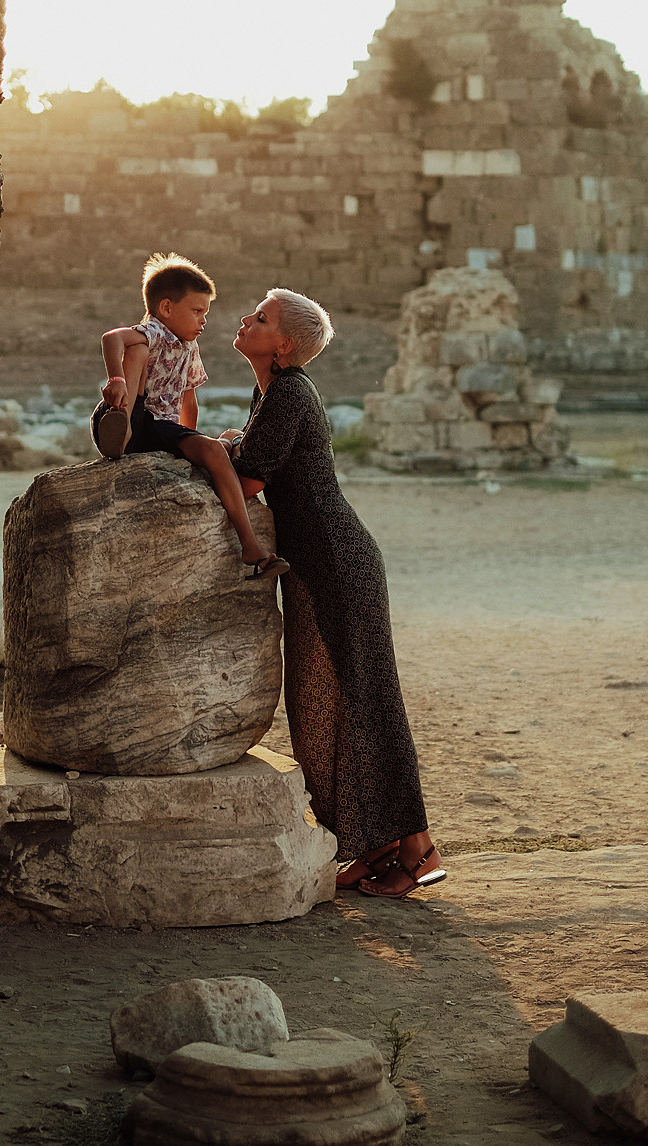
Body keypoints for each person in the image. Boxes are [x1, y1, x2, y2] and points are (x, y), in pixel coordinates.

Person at [222, 287, 446, 899]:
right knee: (322, 698)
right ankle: (372, 845)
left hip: (340, 562)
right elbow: (245, 449)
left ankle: (417, 847)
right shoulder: (269, 389)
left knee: (368, 700)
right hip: (316, 566)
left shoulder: (291, 392)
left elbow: (247, 475)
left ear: (283, 345)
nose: (246, 320)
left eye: (260, 318)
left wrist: (207, 453)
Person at [92, 253, 288, 581]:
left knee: (215, 447)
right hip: (128, 414)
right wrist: (116, 381)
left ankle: (251, 548)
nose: (203, 321)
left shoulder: (189, 350)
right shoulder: (153, 331)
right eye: (197, 311)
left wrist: (188, 445)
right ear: (167, 308)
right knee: (137, 348)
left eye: (205, 313)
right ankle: (120, 430)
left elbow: (189, 404)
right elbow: (111, 338)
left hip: (160, 430)